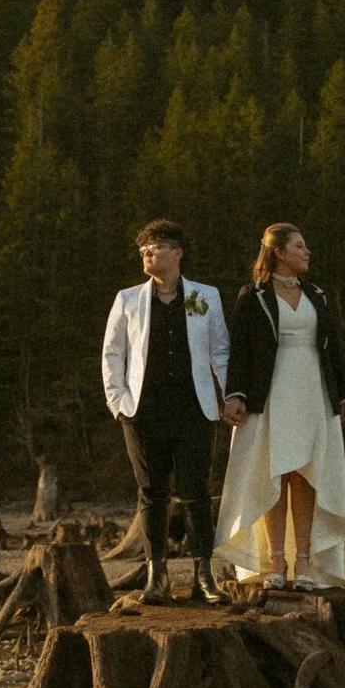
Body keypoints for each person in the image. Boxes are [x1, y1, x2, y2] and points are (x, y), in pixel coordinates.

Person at [214, 223, 345, 589]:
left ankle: (305, 562)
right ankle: (276, 560)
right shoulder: (254, 295)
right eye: (299, 245)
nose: (307, 251)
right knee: (273, 473)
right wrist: (236, 394)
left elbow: (335, 346)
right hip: (272, 392)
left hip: (312, 391)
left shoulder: (318, 295)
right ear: (278, 251)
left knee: (308, 473)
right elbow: (240, 351)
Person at [100, 219, 233, 604]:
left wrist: (230, 396)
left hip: (195, 408)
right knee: (151, 494)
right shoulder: (129, 299)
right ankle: (155, 577)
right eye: (143, 249)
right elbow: (113, 354)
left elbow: (219, 351)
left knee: (196, 493)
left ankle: (203, 577)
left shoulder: (201, 297)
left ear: (177, 253)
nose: (146, 253)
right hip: (143, 411)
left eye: (154, 247)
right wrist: (119, 403)